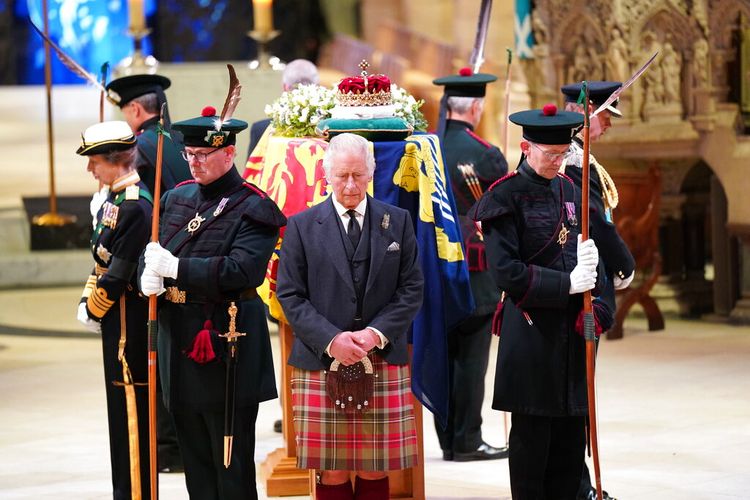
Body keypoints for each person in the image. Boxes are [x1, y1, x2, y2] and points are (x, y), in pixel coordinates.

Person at [139, 105, 286, 499]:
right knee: (196, 463)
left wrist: (177, 268)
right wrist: (147, 275)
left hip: (225, 345)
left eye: (204, 155)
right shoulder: (176, 198)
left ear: (229, 153)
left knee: (230, 464)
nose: (194, 163)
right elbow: (153, 250)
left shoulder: (254, 207)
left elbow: (242, 270)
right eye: (190, 155)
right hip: (178, 342)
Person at [470, 104, 610, 499]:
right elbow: (507, 273)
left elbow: (583, 254)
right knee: (533, 444)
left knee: (570, 441)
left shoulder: (571, 190)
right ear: (526, 147)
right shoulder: (505, 197)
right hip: (532, 334)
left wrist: (592, 271)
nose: (555, 162)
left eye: (562, 154)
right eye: (548, 154)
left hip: (571, 334)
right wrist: (565, 284)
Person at [276, 133, 424, 500]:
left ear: (372, 173)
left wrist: (375, 334)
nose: (351, 185)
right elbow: (290, 295)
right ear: (327, 175)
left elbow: (412, 289)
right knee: (333, 467)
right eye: (342, 176)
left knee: (375, 464)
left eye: (359, 174)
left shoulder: (399, 221)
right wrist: (332, 340)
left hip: (382, 355)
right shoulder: (302, 226)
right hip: (320, 358)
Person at [106, 73, 192, 473]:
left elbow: (135, 208)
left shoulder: (140, 145)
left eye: (124, 110)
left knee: (152, 354)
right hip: (184, 258)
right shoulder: (175, 138)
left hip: (154, 262)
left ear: (136, 110)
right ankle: (176, 443)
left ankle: (167, 446)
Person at [561, 81, 636, 500]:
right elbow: (596, 222)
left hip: (586, 280)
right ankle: (577, 486)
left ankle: (578, 482)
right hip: (581, 286)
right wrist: (625, 263)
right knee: (577, 391)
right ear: (583, 111)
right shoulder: (572, 163)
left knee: (579, 389)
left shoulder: (576, 157)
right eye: (605, 114)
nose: (607, 124)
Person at [432, 70, 509, 461]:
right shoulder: (485, 154)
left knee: (444, 356)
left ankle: (447, 437)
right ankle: (467, 440)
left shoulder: (424, 148)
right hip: (476, 272)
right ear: (476, 107)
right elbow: (503, 214)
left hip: (434, 270)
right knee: (472, 360)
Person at [75, 120, 153, 500]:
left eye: (94, 162)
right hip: (115, 322)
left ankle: (135, 493)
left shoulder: (135, 206)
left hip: (128, 326)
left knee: (131, 418)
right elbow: (102, 262)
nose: (91, 169)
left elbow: (119, 272)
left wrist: (94, 308)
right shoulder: (114, 199)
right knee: (119, 419)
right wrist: (86, 298)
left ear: (115, 160)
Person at [106, 73, 192, 194]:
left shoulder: (136, 147)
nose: (126, 119)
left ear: (135, 109)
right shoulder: (184, 137)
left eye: (125, 113)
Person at [247, 58, 320, 157]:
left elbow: (252, 170)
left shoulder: (261, 130)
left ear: (285, 87)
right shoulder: (327, 130)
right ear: (318, 87)